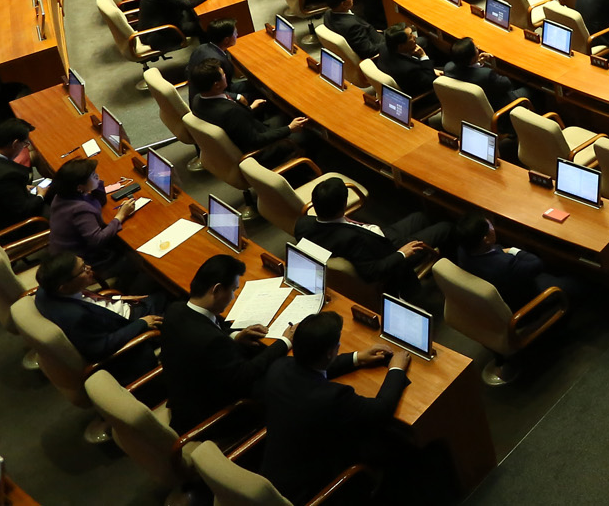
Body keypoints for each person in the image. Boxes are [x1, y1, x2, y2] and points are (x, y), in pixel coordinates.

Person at [260, 312, 413, 506]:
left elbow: (310, 370)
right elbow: (380, 411)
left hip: (276, 473)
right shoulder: (332, 397)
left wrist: (358, 358)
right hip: (309, 491)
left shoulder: (279, 367)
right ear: (332, 352)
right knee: (394, 443)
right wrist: (396, 370)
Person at [160, 254, 288, 432]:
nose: (233, 297)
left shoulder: (176, 310)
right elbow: (245, 375)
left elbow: (208, 333)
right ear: (217, 290)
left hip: (186, 394)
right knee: (284, 381)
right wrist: (285, 341)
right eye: (233, 290)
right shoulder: (211, 341)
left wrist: (235, 336)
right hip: (211, 417)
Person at [294, 176, 450, 301]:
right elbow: (372, 272)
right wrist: (402, 253)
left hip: (379, 237)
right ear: (343, 205)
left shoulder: (303, 224)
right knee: (446, 227)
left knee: (419, 217)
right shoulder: (353, 240)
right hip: (390, 254)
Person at [33, 253, 161, 384]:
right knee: (173, 300)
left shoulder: (46, 290)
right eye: (83, 269)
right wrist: (142, 323)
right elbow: (101, 348)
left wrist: (115, 299)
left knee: (155, 282)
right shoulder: (76, 317)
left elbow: (87, 300)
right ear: (64, 286)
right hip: (130, 326)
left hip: (114, 311)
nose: (89, 268)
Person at [454, 212, 581, 311]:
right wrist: (514, 250)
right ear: (486, 239)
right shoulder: (505, 265)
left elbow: (497, 249)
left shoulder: (463, 250)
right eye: (491, 226)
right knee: (575, 282)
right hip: (522, 300)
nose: (494, 228)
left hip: (500, 290)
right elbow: (536, 264)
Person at [46, 156, 143, 277]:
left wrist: (96, 183)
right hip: (82, 261)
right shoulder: (79, 209)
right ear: (79, 187)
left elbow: (99, 202)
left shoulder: (63, 195)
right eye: (92, 175)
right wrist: (121, 215)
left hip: (63, 253)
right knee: (134, 256)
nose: (97, 176)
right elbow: (98, 240)